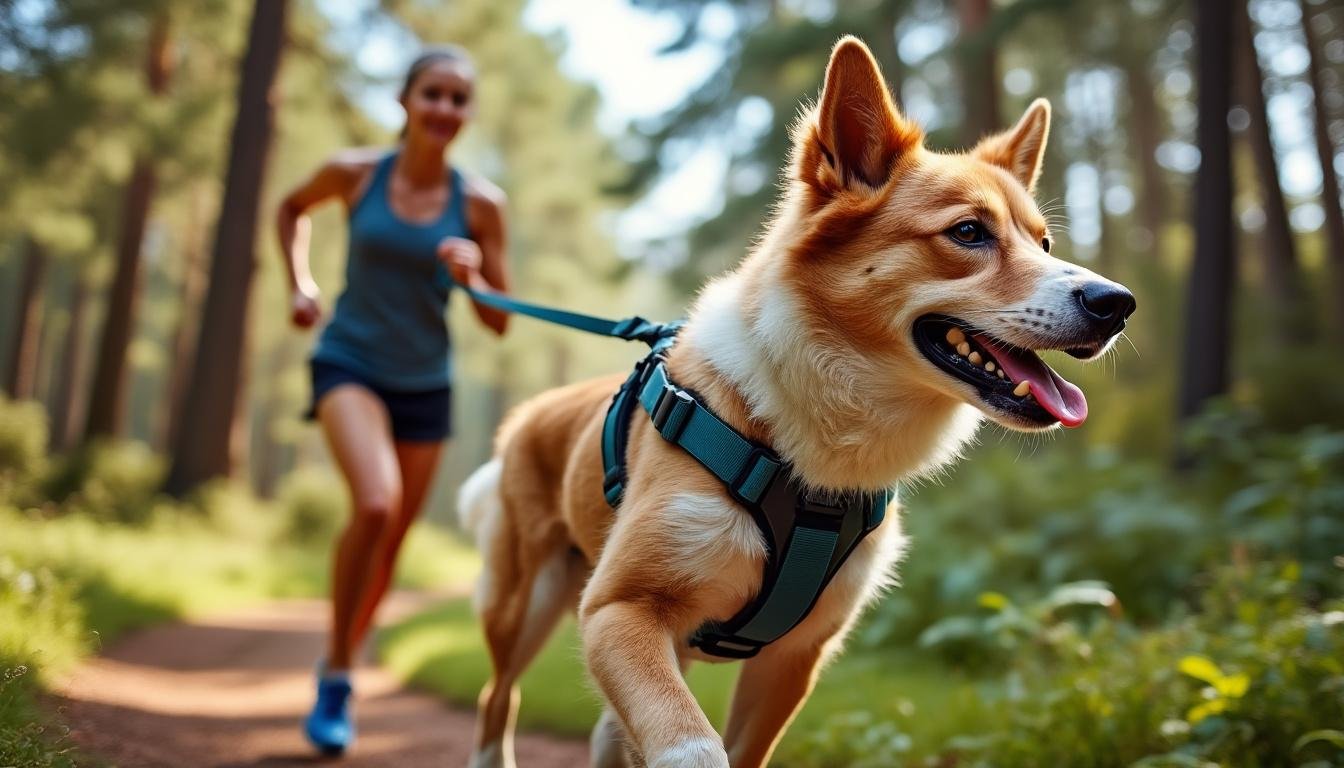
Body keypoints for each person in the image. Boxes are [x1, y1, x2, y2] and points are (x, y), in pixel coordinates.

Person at [274, 45, 510, 755]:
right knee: (373, 505)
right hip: (348, 360)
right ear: (406, 101)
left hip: (426, 383)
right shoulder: (354, 174)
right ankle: (340, 675)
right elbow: (291, 209)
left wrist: (471, 272)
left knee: (392, 541)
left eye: (458, 99)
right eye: (433, 94)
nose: (445, 109)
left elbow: (498, 320)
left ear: (467, 112)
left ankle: (340, 654)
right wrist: (299, 282)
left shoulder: (480, 204)